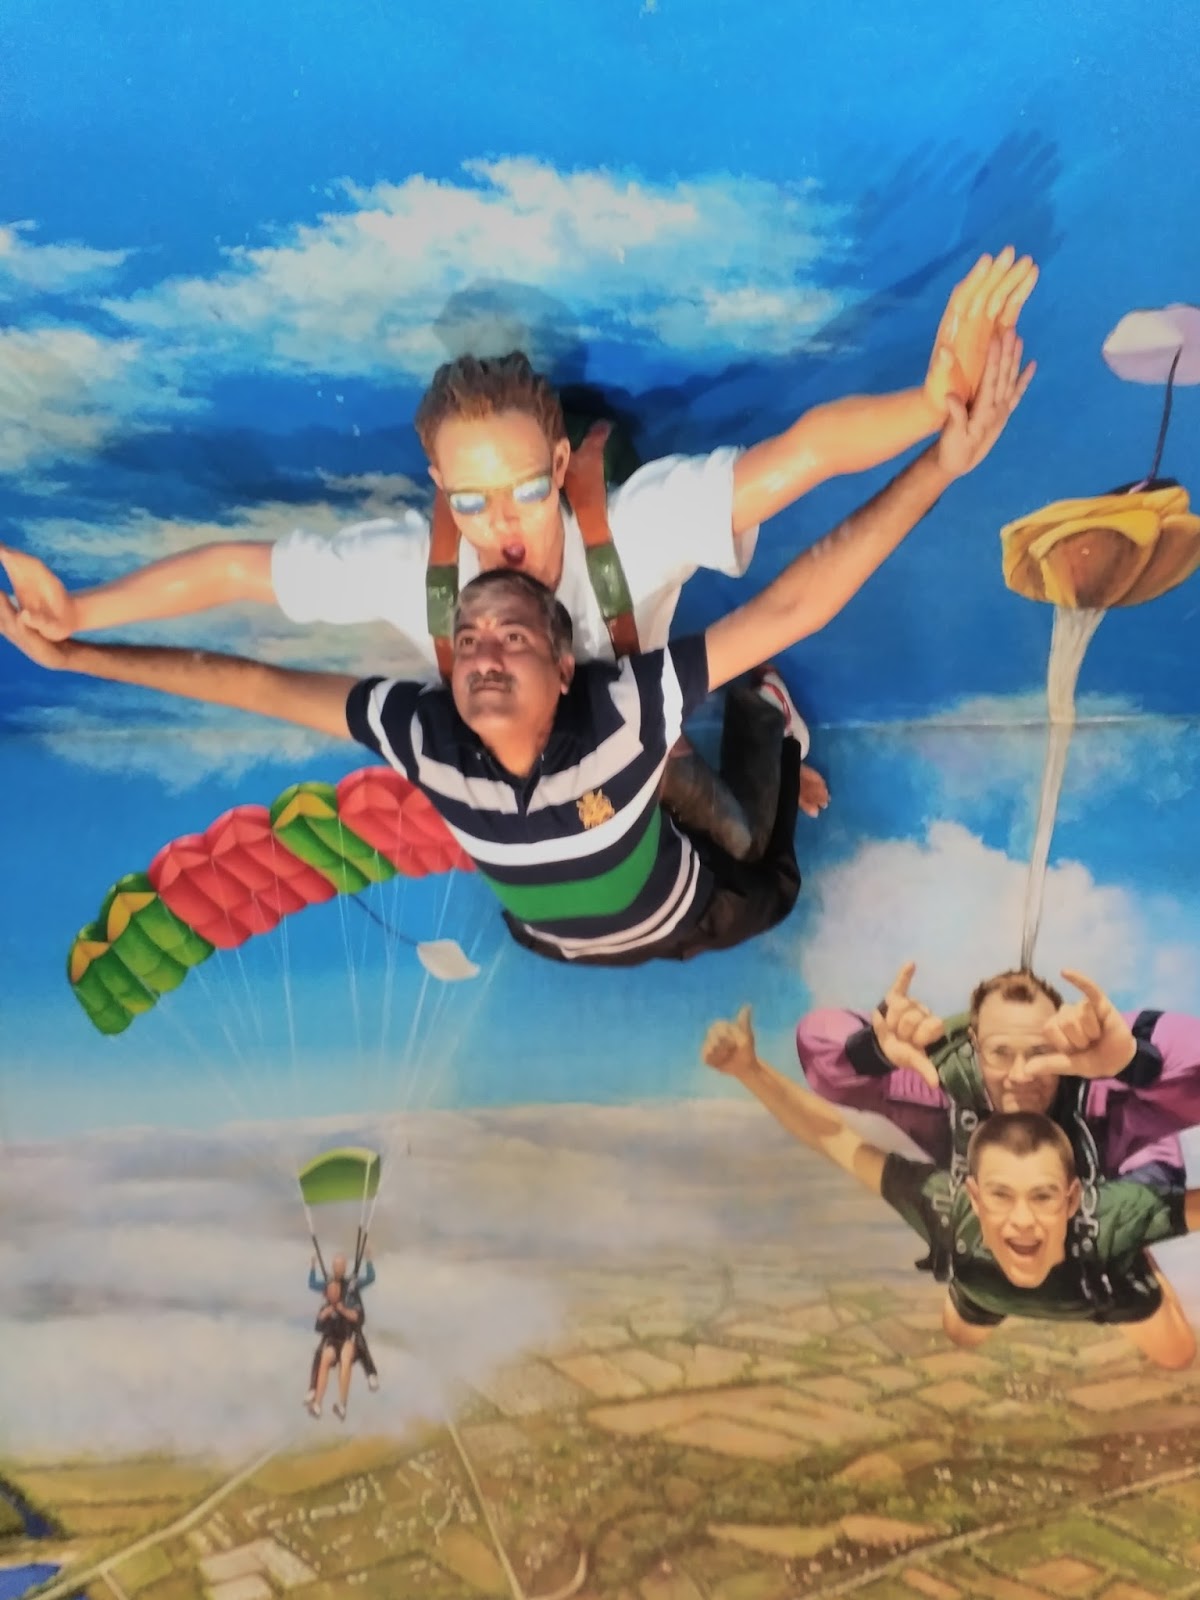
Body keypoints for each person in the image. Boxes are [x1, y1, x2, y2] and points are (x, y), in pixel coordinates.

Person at [0, 333, 1033, 967]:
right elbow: (240, 584)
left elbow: (796, 466)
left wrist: (930, 414)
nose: (500, 528)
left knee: (749, 852)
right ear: (436, 488)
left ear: (560, 461)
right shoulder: (412, 588)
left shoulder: (634, 547)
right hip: (593, 827)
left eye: (530, 491)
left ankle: (773, 734)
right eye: (470, 500)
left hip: (658, 744)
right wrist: (81, 618)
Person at [703, 1005, 1198, 1369]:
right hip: (987, 1277)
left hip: (1102, 1277)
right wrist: (749, 1071)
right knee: (961, 1334)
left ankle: (1131, 1164)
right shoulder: (947, 1207)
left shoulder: (1109, 1220)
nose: (1022, 1220)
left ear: (1072, 1199)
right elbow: (834, 1138)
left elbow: (834, 1139)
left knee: (1177, 1353)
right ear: (974, 1196)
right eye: (1001, 1196)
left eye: (1042, 1198)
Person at [796, 962, 1197, 1188]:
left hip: (1124, 1186)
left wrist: (1135, 1060)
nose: (1020, 1076)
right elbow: (819, 1050)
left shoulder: (1101, 1090)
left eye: (1039, 1052)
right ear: (974, 1046)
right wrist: (873, 1051)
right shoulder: (935, 1085)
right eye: (1000, 1053)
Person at [305, 1252, 379, 1408]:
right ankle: (313, 1389)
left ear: (345, 1268)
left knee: (360, 1344)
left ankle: (371, 1373)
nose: (337, 1269)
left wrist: (368, 1260)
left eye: (340, 1266)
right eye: (335, 1266)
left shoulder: (352, 1283)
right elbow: (312, 1284)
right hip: (334, 1327)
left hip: (350, 1324)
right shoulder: (329, 1284)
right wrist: (312, 1267)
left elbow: (370, 1278)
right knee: (320, 1353)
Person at [308, 1279, 362, 1421]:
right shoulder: (325, 1308)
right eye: (330, 1291)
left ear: (339, 1292)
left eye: (335, 1291)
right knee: (325, 1357)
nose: (333, 1293)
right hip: (333, 1342)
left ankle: (342, 1404)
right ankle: (317, 1403)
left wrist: (342, 1310)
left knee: (345, 1356)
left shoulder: (348, 1303)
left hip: (348, 1340)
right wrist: (323, 1316)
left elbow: (357, 1317)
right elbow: (318, 1328)